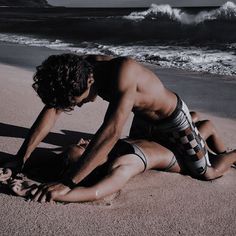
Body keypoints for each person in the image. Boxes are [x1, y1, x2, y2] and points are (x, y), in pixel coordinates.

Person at [0, 53, 230, 202]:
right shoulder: (78, 70)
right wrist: (20, 159)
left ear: (90, 81)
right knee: (145, 150)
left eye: (77, 99)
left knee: (206, 172)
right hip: (143, 118)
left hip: (173, 120)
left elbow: (110, 132)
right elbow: (53, 110)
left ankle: (219, 144)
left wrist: (68, 183)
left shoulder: (123, 72)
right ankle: (201, 126)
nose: (78, 105)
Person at [2, 115, 236, 203]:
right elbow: (95, 193)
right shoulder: (122, 165)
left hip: (163, 138)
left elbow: (51, 158)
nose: (84, 143)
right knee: (212, 167)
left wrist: (16, 167)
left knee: (198, 123)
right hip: (181, 156)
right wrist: (55, 193)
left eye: (84, 145)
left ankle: (214, 141)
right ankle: (231, 155)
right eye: (83, 148)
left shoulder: (104, 150)